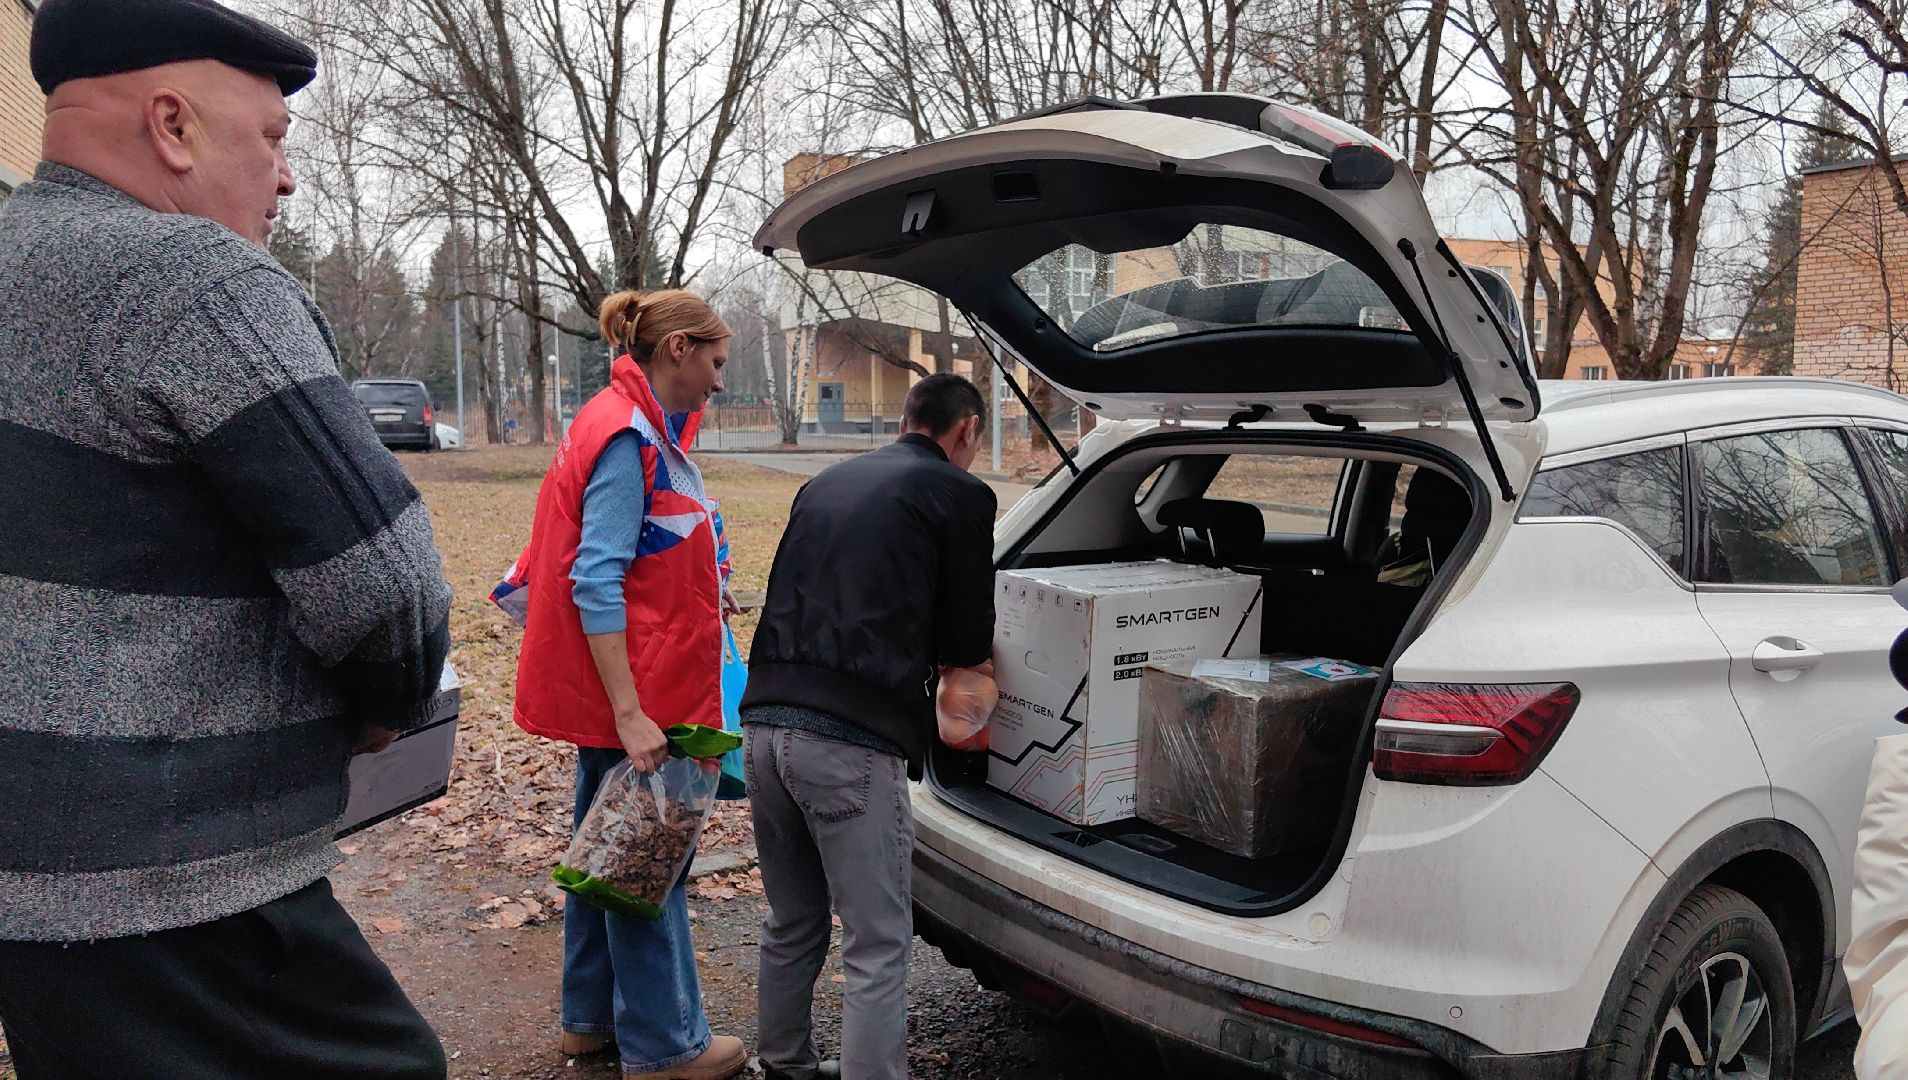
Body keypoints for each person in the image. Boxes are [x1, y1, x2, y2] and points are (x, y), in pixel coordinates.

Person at [0, 1, 455, 1077]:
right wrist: (389, 706)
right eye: (273, 138)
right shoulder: (196, 281)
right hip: (179, 879)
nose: (287, 178)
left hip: (34, 885)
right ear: (172, 126)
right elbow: (385, 584)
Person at [499, 289, 745, 1080]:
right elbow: (595, 580)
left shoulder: (624, 420)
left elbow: (644, 550)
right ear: (678, 350)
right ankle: (667, 1047)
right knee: (647, 863)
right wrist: (633, 715)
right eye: (714, 362)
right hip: (639, 698)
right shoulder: (625, 433)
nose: (716, 382)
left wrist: (707, 583)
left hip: (631, 688)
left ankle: (589, 1020)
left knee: (602, 856)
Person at [742, 374, 998, 1080]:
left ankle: (784, 1062)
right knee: (879, 942)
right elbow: (968, 637)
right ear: (966, 429)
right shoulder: (959, 493)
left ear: (907, 418)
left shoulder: (824, 483)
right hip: (849, 740)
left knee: (792, 921)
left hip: (762, 725)